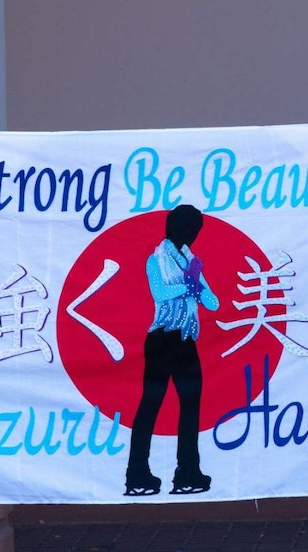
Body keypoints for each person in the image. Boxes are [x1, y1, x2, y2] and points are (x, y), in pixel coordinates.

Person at [125, 205, 220, 496]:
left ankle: (187, 472)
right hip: (162, 338)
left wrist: (198, 287)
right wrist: (188, 288)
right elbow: (159, 293)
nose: (191, 235)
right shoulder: (156, 260)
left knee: (191, 407)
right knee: (150, 404)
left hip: (186, 338)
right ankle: (137, 474)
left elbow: (213, 302)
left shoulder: (193, 264)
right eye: (189, 227)